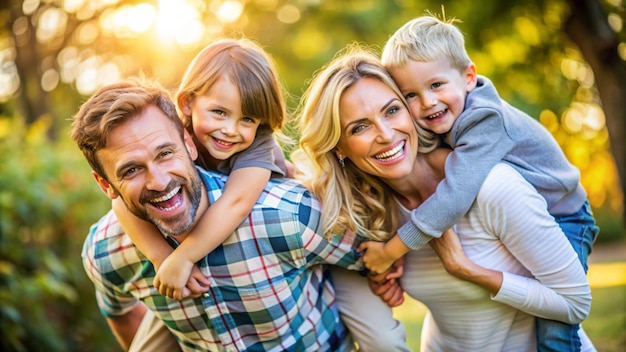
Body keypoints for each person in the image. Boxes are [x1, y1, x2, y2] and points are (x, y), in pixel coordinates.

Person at [291, 47, 594, 351]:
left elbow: (575, 303)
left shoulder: (493, 186)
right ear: (339, 148)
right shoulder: (377, 211)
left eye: (391, 110)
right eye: (359, 127)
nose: (385, 134)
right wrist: (386, 277)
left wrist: (464, 268)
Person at [71, 80, 366, 351]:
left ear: (189, 144)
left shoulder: (287, 217)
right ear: (106, 185)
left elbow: (369, 257)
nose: (159, 182)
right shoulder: (106, 251)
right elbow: (117, 310)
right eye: (132, 170)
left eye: (165, 154)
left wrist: (386, 269)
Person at [111, 38, 293, 301]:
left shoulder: (259, 143)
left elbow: (237, 202)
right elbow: (119, 202)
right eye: (219, 112)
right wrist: (162, 258)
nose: (231, 129)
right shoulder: (173, 135)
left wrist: (184, 257)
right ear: (186, 104)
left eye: (247, 119)